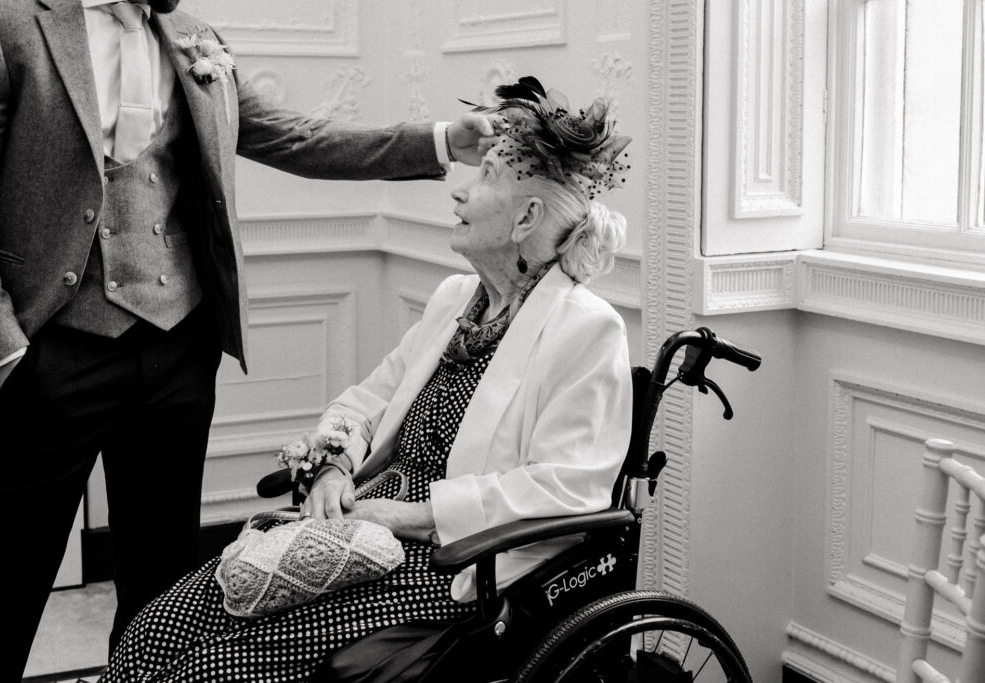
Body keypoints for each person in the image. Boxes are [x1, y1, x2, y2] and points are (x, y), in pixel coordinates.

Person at [0, 0, 496, 682]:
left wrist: (441, 139)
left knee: (161, 596)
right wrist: (8, 356)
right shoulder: (2, 25)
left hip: (176, 357)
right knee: (1, 600)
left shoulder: (195, 36)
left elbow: (296, 136)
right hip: (54, 358)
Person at [103, 77, 634, 683]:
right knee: (156, 627)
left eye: (485, 177)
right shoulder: (456, 298)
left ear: (527, 217)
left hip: (444, 563)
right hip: (360, 525)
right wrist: (333, 465)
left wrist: (404, 517)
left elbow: (566, 488)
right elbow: (370, 399)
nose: (459, 190)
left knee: (213, 667)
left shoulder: (585, 330)